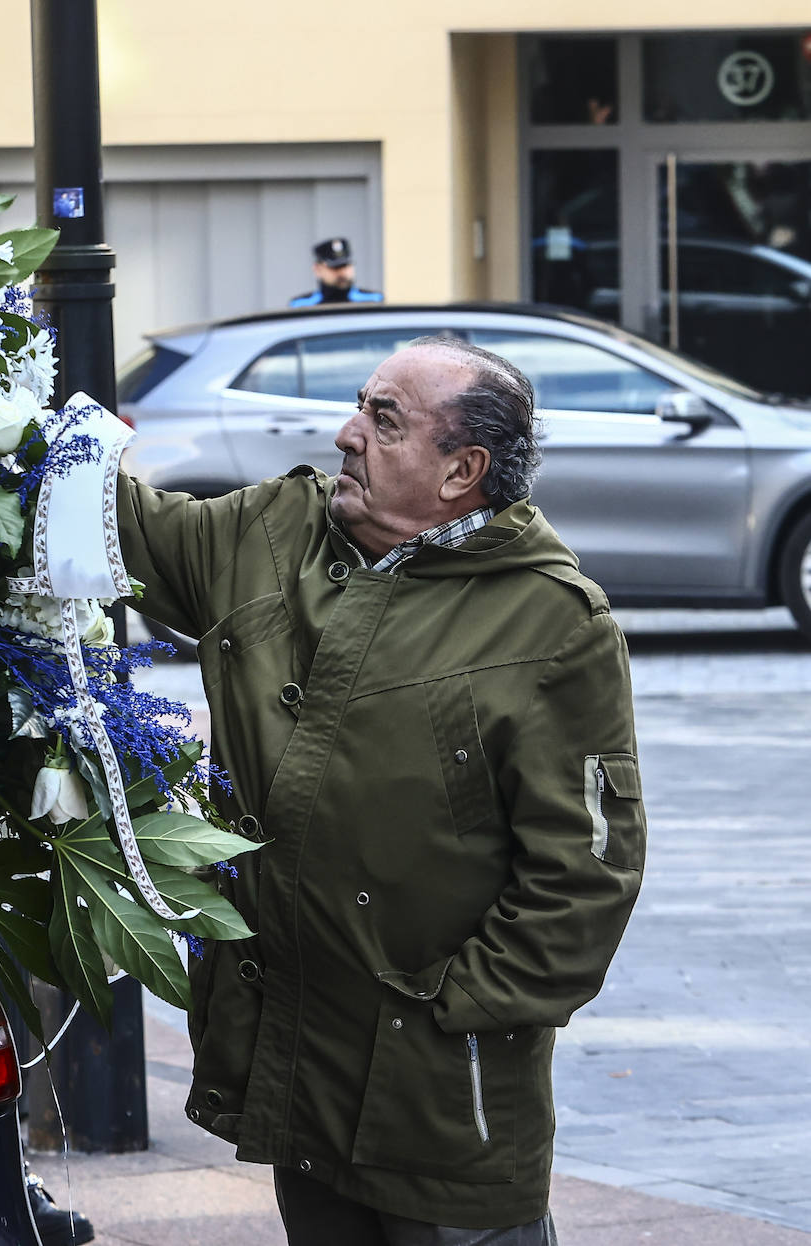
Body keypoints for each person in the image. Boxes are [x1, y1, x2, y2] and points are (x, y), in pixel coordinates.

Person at [115, 336, 645, 1244]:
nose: (346, 433)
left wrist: (451, 1013)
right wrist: (2, 417)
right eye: (360, 405)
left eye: (383, 419)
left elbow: (586, 879)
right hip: (294, 1069)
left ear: (462, 470)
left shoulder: (555, 623)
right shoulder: (269, 532)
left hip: (442, 1093)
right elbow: (111, 526)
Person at [290, 236, 384, 306]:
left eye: (345, 266)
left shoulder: (373, 300)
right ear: (317, 269)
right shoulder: (302, 305)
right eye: (335, 267)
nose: (342, 272)